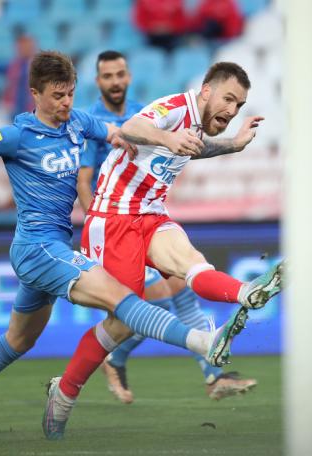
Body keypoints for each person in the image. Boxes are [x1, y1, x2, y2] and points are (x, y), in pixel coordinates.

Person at [0, 51, 257, 441]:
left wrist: (197, 143)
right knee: (122, 301)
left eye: (70, 93)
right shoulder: (16, 135)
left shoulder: (79, 122)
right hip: (35, 248)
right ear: (37, 94)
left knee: (18, 342)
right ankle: (202, 342)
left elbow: (129, 131)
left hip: (57, 246)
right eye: (57, 95)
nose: (66, 102)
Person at [48, 61, 283, 436]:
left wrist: (234, 144)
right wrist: (166, 138)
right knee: (122, 324)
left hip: (152, 215)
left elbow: (196, 148)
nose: (232, 110)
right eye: (228, 99)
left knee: (192, 264)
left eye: (238, 105)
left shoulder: (197, 124)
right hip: (114, 219)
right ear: (206, 91)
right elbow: (131, 127)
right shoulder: (175, 106)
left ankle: (247, 292)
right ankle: (65, 391)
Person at [78, 50, 257, 403]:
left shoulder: (153, 110)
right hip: (112, 225)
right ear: (98, 82)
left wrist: (233, 144)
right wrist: (98, 224)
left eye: (120, 74)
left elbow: (189, 146)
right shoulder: (95, 122)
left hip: (143, 218)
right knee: (147, 305)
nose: (115, 81)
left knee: (181, 286)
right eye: (107, 76)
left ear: (128, 76)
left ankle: (212, 375)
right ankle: (115, 357)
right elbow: (85, 182)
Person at [2, 34, 36, 121]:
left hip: (32, 110)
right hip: (14, 109)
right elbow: (9, 86)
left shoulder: (39, 65)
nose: (23, 49)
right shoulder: (14, 65)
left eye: (27, 46)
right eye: (21, 47)